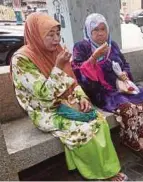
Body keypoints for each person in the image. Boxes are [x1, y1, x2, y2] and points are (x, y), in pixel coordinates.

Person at [10, 12, 127, 181]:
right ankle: (97, 174)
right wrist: (58, 66)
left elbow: (73, 81)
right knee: (84, 131)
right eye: (50, 35)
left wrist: (82, 99)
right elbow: (43, 94)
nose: (56, 39)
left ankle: (108, 168)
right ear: (36, 34)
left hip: (67, 102)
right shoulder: (22, 59)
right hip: (45, 111)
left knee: (99, 120)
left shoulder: (57, 50)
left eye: (57, 34)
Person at [72, 13, 143, 161]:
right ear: (88, 31)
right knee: (128, 107)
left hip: (121, 86)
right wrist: (94, 58)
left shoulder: (113, 45)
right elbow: (79, 74)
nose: (100, 34)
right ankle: (132, 141)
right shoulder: (81, 47)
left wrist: (124, 73)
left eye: (103, 29)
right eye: (95, 30)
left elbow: (124, 63)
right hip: (101, 91)